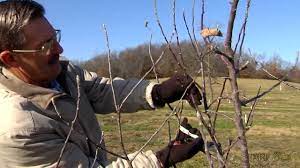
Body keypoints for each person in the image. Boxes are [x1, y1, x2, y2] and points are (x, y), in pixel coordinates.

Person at [0, 0, 205, 167]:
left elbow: (103, 91)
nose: (59, 49)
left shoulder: (63, 73)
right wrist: (160, 159)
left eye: (55, 37)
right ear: (10, 59)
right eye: (45, 46)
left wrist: (158, 91)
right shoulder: (19, 128)